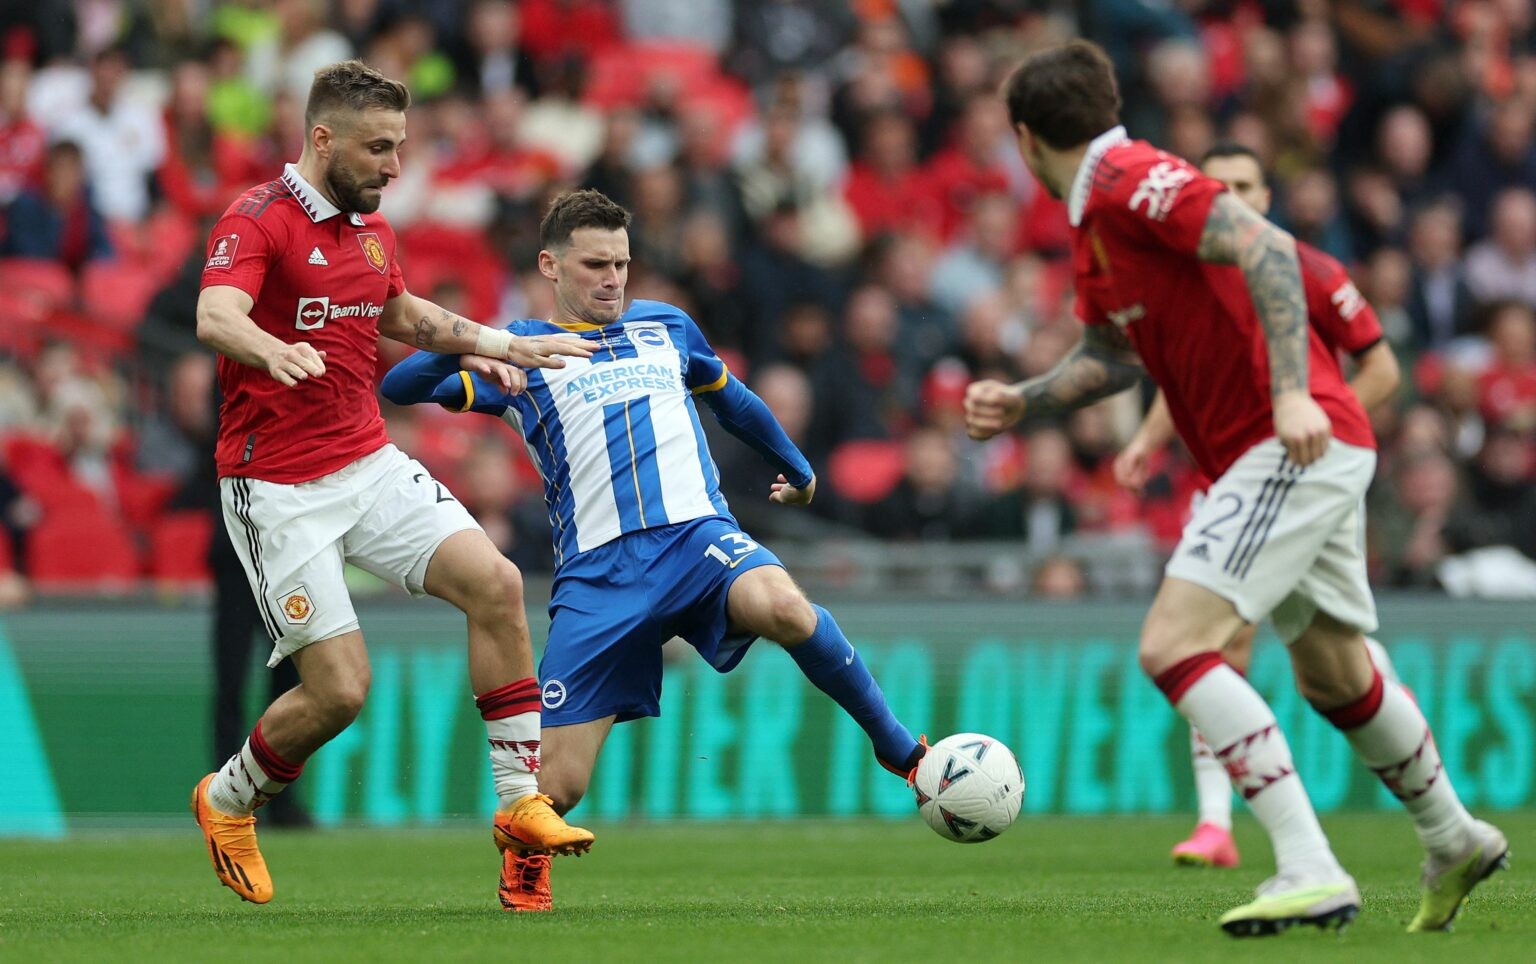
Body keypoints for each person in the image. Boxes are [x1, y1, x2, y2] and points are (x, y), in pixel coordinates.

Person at [965, 40, 1506, 937]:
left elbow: (1269, 252)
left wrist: (1292, 388)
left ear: (1024, 138)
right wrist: (1022, 400)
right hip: (1285, 450)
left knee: (1174, 644)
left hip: (1284, 440)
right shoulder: (1093, 226)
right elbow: (1112, 354)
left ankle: (1308, 865)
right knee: (1334, 673)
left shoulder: (1127, 179)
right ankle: (1452, 836)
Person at [381, 188, 925, 912]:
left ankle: (900, 750)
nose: (613, 278)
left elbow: (732, 399)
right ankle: (524, 865)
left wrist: (795, 464)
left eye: (623, 264)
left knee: (786, 607)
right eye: (596, 264)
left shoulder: (666, 326)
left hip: (696, 539)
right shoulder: (525, 351)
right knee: (560, 786)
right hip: (599, 578)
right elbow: (399, 383)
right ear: (550, 264)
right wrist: (485, 342)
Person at [190, 60, 597, 907]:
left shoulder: (371, 232)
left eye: (400, 147)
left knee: (496, 584)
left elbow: (397, 312)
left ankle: (520, 808)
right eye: (379, 148)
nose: (394, 166)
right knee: (340, 692)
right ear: (323, 138)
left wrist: (501, 343)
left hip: (366, 460)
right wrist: (270, 349)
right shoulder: (256, 218)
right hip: (276, 487)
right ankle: (228, 800)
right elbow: (215, 315)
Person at [1112, 142, 1403, 870]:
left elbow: (1383, 364)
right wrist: (1150, 437)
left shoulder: (1307, 268)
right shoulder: (1197, 274)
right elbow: (1178, 379)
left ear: (1268, 197)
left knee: (1323, 660)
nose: (1234, 196)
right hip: (1235, 468)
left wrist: (1325, 436)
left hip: (1303, 460)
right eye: (1221, 185)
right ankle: (1216, 824)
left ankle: (1393, 795)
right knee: (1228, 642)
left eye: (1246, 184)